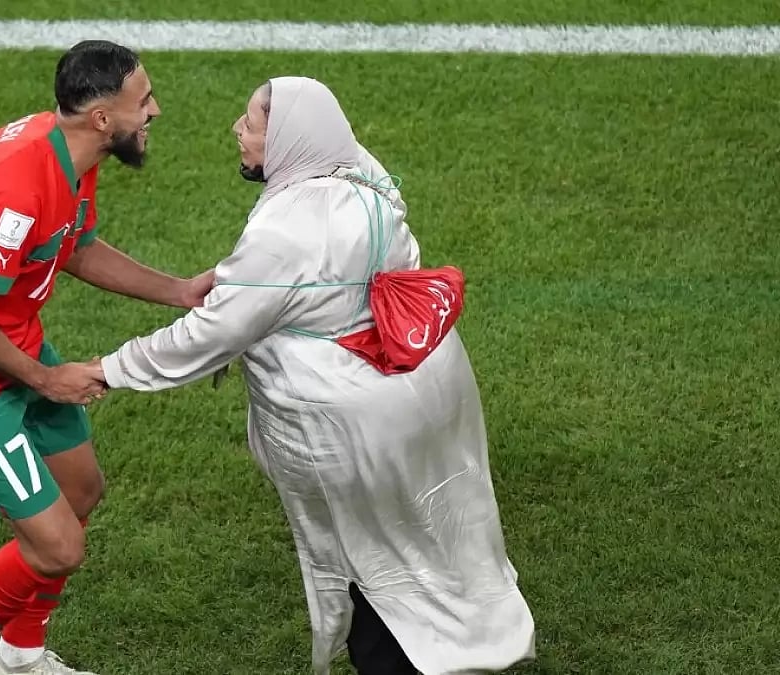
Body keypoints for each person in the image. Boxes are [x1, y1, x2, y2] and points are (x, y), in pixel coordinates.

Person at [89, 76, 536, 675]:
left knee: (372, 570)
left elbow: (214, 332)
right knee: (441, 544)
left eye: (249, 125)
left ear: (289, 144)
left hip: (353, 426)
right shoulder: (363, 175)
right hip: (430, 390)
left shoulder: (286, 231)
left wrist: (106, 370)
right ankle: (480, 639)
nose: (237, 132)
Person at [0, 40, 214, 675]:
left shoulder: (68, 150)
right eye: (142, 101)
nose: (155, 110)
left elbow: (77, 245)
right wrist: (47, 379)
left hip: (12, 342)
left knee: (81, 489)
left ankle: (20, 653)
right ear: (101, 118)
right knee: (59, 546)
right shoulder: (17, 190)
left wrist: (178, 291)